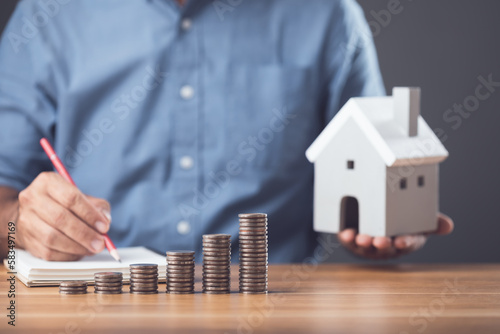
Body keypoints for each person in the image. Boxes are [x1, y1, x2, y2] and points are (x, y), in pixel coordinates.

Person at [0, 0, 453, 262]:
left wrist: (388, 217)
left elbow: (378, 159)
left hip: (280, 312)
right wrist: (22, 225)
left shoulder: (327, 13)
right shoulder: (48, 15)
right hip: (98, 309)